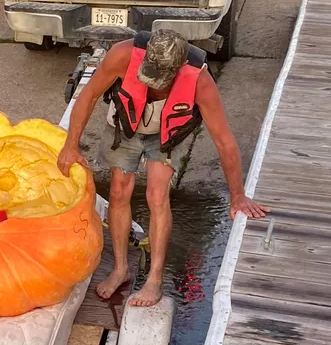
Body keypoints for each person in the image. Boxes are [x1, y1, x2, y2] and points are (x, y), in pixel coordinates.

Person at [56, 29, 269, 307]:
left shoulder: (199, 81)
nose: (153, 84)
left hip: (168, 134)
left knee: (157, 196)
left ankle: (154, 280)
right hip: (126, 125)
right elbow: (89, 96)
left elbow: (224, 142)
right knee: (120, 191)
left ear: (179, 69)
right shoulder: (122, 55)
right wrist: (71, 145)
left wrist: (237, 195)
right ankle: (120, 269)